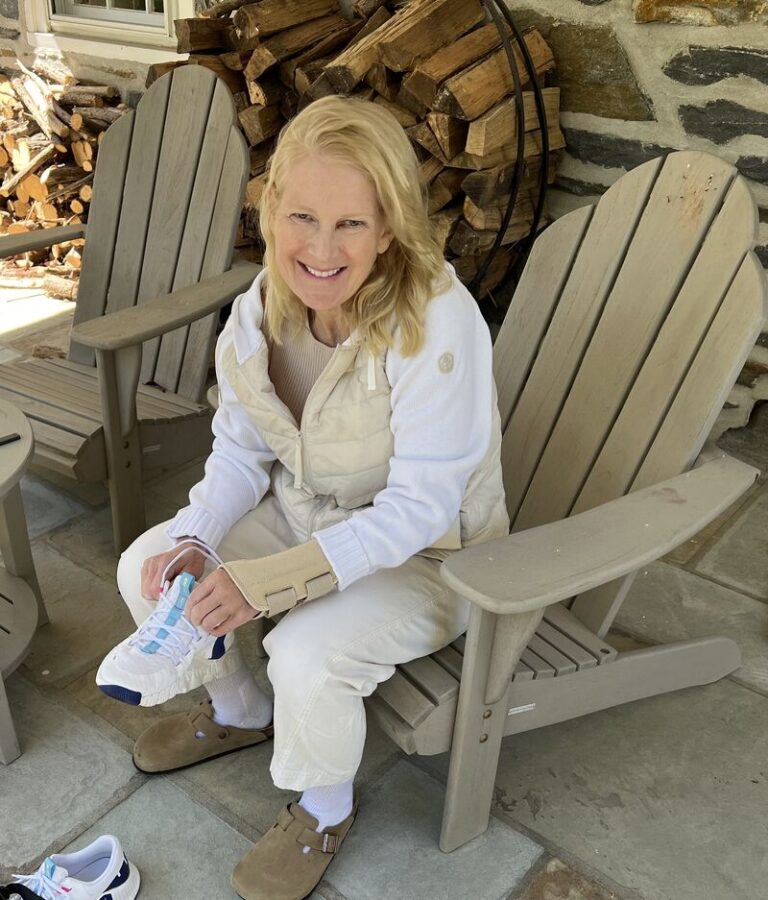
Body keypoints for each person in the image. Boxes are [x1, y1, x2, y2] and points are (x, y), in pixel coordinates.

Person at [102, 95, 509, 900]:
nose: (321, 249)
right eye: (302, 217)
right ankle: (240, 709)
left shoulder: (438, 322)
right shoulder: (259, 311)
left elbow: (425, 506)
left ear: (389, 227)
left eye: (352, 224)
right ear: (270, 208)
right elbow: (242, 448)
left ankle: (323, 808)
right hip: (307, 508)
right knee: (149, 569)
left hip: (435, 556)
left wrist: (278, 581)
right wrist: (200, 535)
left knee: (306, 651)